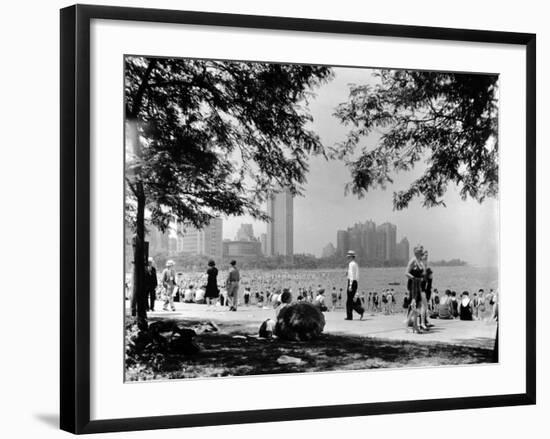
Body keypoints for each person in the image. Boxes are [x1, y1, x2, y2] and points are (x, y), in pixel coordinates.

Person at [405, 245, 427, 331]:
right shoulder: (413, 261)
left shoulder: (420, 261)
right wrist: (414, 278)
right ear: (416, 252)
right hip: (413, 285)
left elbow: (423, 273)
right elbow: (406, 273)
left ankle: (411, 323)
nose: (421, 252)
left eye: (421, 251)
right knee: (415, 305)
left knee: (418, 305)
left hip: (419, 285)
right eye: (420, 251)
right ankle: (414, 325)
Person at [345, 250, 364, 320]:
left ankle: (357, 312)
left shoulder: (351, 264)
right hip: (355, 282)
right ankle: (358, 311)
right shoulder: (355, 264)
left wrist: (350, 285)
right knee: (351, 300)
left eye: (348, 257)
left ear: (351, 257)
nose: (348, 258)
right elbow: (356, 275)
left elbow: (352, 276)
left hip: (351, 282)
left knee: (349, 301)